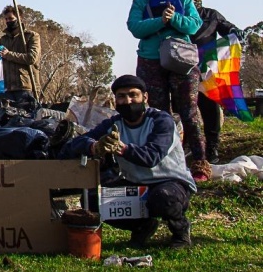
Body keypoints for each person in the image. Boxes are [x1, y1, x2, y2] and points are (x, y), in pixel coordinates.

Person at [61, 75, 196, 249]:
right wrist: (95, 146)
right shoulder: (113, 123)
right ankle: (142, 226)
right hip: (135, 183)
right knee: (95, 200)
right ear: (115, 100)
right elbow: (76, 142)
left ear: (145, 97)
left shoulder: (161, 121)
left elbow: (151, 157)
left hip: (170, 182)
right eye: (121, 96)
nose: (128, 101)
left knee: (163, 198)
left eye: (133, 95)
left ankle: (180, 231)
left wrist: (121, 148)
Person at [127, 0, 209, 180]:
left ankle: (200, 162)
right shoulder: (141, 2)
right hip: (150, 61)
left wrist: (175, 18)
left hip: (181, 60)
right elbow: (135, 27)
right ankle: (167, 160)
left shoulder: (184, 0)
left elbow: (194, 25)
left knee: (189, 110)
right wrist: (159, 21)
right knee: (159, 113)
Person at [184, 0, 241, 164]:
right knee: (186, 112)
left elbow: (226, 27)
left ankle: (212, 148)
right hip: (184, 69)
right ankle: (188, 148)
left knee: (211, 111)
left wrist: (233, 30)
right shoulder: (179, 17)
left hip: (207, 70)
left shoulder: (211, 15)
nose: (194, 2)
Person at [0, 6, 41, 108]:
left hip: (25, 87)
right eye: (6, 19)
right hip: (7, 89)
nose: (8, 21)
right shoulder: (3, 40)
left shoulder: (31, 36)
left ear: (19, 18)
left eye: (11, 19)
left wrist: (9, 54)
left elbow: (32, 58)